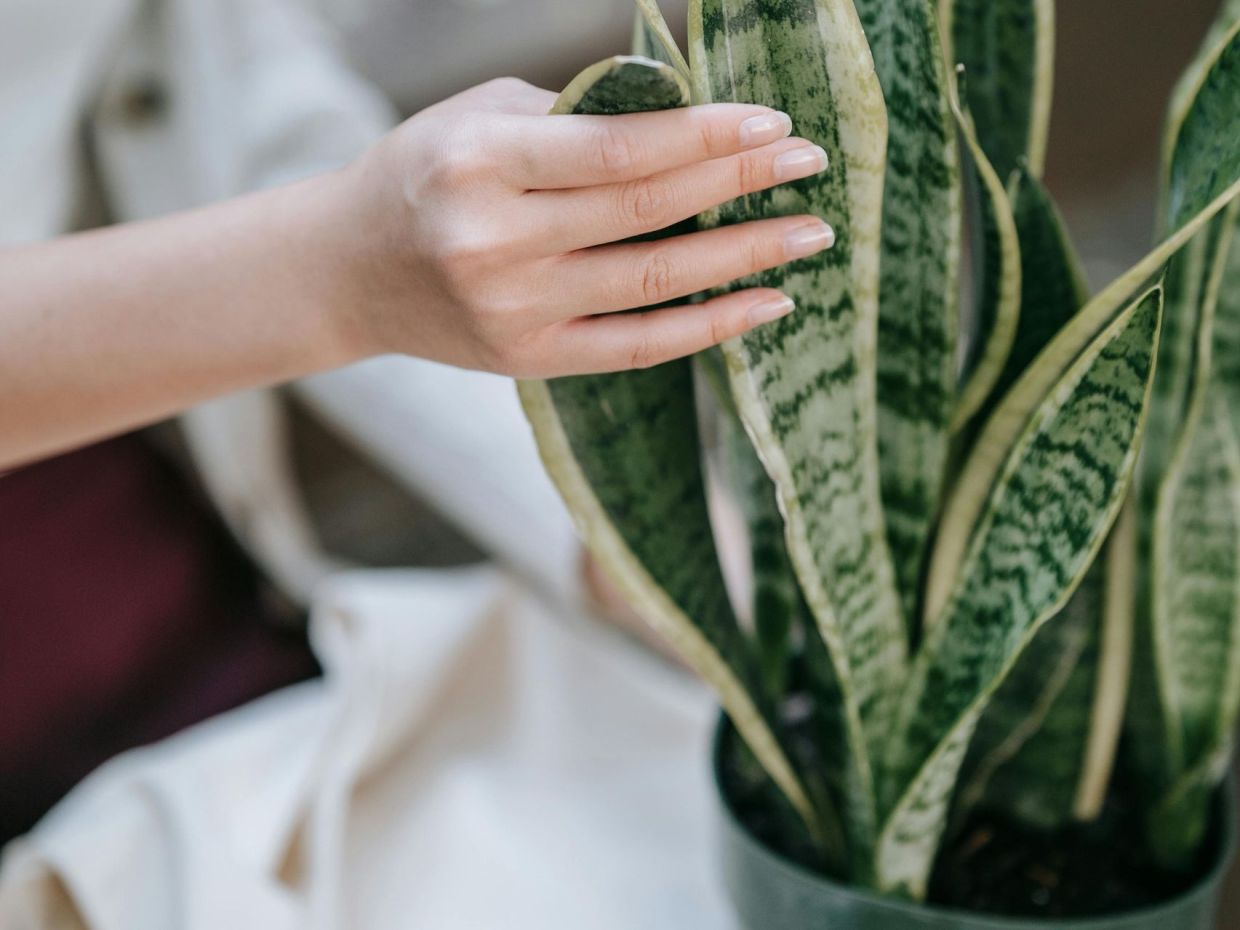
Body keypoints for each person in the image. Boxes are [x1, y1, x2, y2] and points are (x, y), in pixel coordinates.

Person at [0, 1, 832, 926]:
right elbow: (335, 250)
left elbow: (216, 75)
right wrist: (337, 268)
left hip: (149, 520)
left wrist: (623, 531)